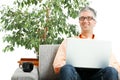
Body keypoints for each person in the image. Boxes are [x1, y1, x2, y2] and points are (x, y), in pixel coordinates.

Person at [53, 6, 120, 80]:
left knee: (111, 71)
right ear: (79, 22)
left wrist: (105, 65)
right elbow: (57, 64)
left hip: (97, 76)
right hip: (75, 75)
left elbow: (116, 66)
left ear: (94, 22)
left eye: (89, 18)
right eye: (82, 18)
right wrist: (70, 64)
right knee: (67, 68)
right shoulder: (69, 42)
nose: (85, 21)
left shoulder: (102, 46)